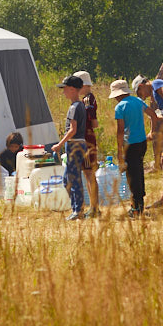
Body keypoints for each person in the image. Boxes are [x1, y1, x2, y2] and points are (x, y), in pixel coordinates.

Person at [134, 75, 163, 209]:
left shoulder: (157, 83)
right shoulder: (155, 91)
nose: (143, 96)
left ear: (141, 86)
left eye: (140, 93)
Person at [52, 75, 88, 220]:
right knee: (67, 179)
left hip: (75, 144)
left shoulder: (74, 107)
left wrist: (59, 144)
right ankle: (76, 208)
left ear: (73, 89)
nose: (63, 92)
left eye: (65, 89)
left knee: (73, 178)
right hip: (76, 144)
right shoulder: (78, 106)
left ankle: (78, 210)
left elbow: (72, 129)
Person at [111, 79, 148, 216]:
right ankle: (139, 203)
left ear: (118, 95)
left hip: (130, 145)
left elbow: (120, 130)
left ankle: (136, 208)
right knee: (139, 171)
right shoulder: (138, 101)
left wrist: (119, 150)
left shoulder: (120, 107)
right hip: (142, 143)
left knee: (132, 175)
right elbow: (153, 115)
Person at [75, 71, 100, 214]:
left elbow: (93, 122)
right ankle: (93, 206)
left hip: (86, 139)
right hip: (86, 138)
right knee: (87, 173)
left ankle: (94, 207)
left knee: (89, 173)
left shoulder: (88, 100)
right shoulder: (87, 99)